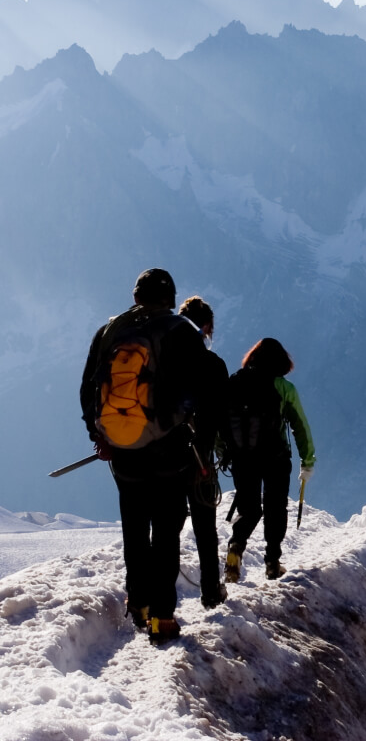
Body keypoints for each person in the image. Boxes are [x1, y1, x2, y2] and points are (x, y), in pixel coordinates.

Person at [80, 268, 225, 645]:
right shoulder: (182, 331)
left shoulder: (110, 332)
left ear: (136, 296)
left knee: (134, 528)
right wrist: (195, 435)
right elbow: (207, 391)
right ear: (171, 298)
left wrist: (100, 435)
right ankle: (163, 617)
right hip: (170, 451)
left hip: (123, 452)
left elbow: (88, 389)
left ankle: (139, 604)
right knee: (165, 532)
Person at [224, 337, 315, 583]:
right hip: (275, 457)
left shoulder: (235, 383)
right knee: (275, 508)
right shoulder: (284, 388)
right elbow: (300, 427)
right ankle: (273, 563)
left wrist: (225, 453)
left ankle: (235, 548)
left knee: (249, 509)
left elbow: (220, 424)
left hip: (242, 457)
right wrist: (308, 460)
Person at [177, 295, 229, 609]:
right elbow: (224, 416)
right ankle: (210, 591)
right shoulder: (213, 364)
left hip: (161, 457)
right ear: (207, 325)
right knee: (205, 530)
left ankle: (155, 605)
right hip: (200, 457)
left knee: (165, 529)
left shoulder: (161, 362)